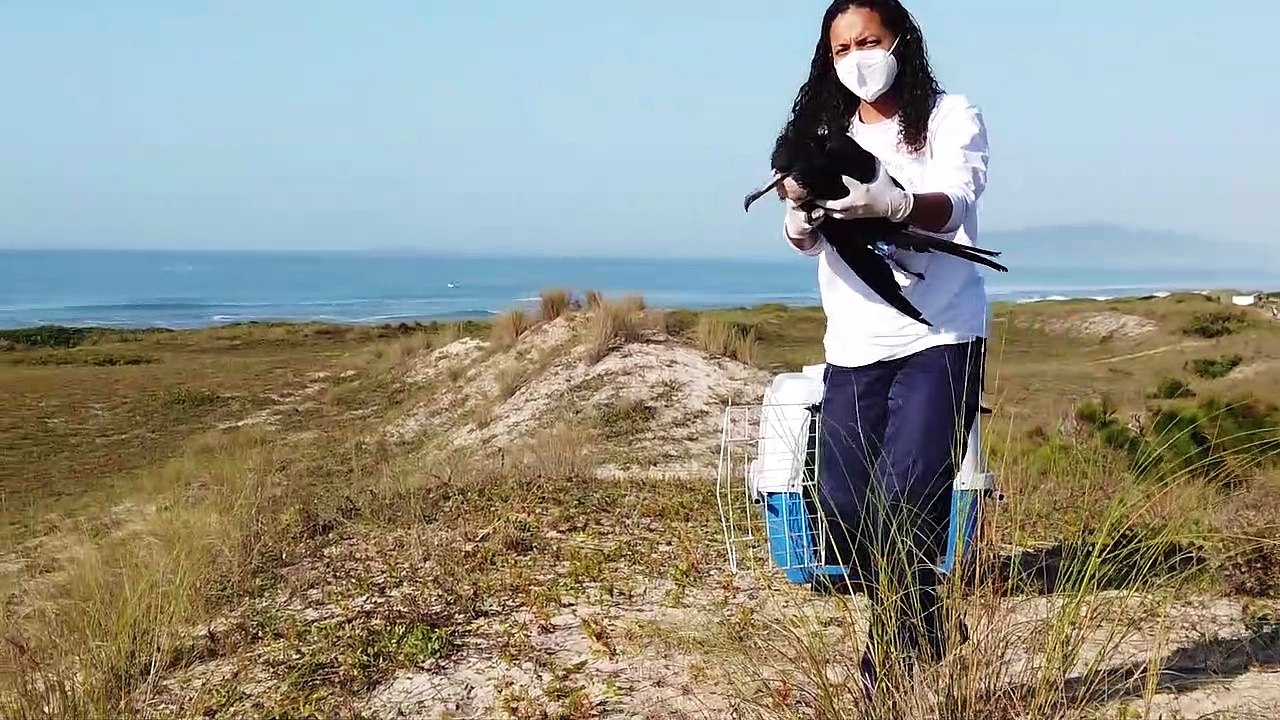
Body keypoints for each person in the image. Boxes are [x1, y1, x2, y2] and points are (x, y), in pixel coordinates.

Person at [776, 0, 990, 700]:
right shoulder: (820, 131)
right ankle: (929, 615)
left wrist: (895, 205)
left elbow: (955, 201)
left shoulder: (949, 116)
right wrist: (800, 220)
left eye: (868, 41)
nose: (857, 58)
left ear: (900, 41)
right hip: (854, 341)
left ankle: (889, 669)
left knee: (908, 499)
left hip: (941, 335)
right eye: (841, 49)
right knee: (840, 504)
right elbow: (806, 232)